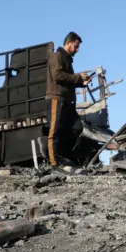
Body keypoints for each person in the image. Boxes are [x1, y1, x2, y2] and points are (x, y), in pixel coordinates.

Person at [45, 32, 90, 173]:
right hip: (56, 99)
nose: (77, 50)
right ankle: (54, 164)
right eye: (76, 47)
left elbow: (67, 81)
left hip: (66, 101)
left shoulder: (67, 59)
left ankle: (62, 157)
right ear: (69, 43)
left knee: (76, 128)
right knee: (55, 131)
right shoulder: (57, 56)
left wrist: (81, 83)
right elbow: (58, 76)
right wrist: (78, 77)